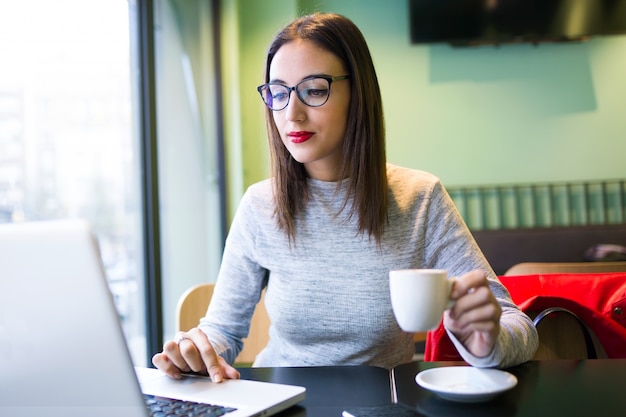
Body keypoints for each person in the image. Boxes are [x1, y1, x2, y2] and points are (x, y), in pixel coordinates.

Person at [152, 12, 538, 382]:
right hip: (286, 401)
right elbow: (223, 331)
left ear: (359, 93)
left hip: (380, 404)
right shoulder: (260, 205)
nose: (292, 114)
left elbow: (516, 324)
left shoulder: (420, 199)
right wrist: (196, 351)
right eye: (278, 93)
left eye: (314, 90)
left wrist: (489, 344)